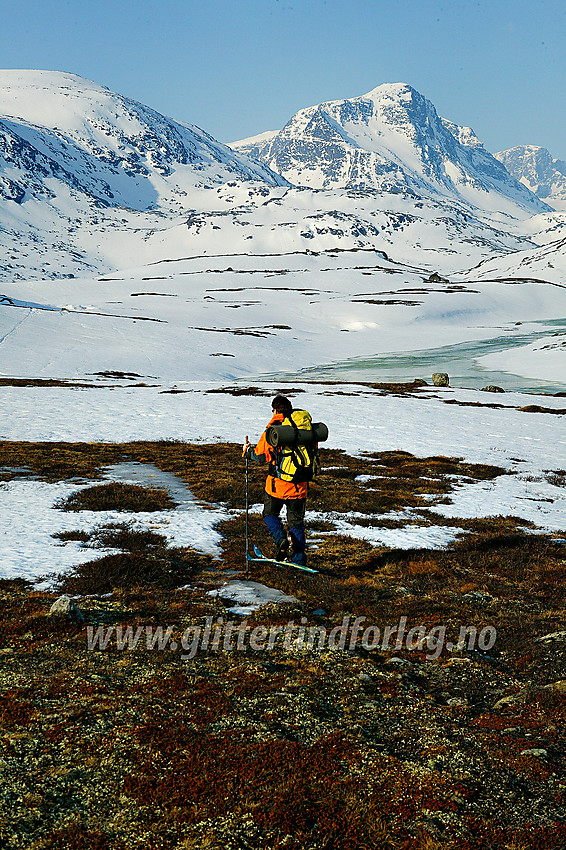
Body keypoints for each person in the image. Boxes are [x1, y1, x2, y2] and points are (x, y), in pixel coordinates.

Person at [244, 395, 308, 566]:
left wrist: (247, 452)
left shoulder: (273, 431)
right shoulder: (303, 431)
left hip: (277, 486)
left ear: (275, 410)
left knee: (269, 514)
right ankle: (299, 558)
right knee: (296, 523)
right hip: (300, 486)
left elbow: (259, 455)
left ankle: (281, 540)